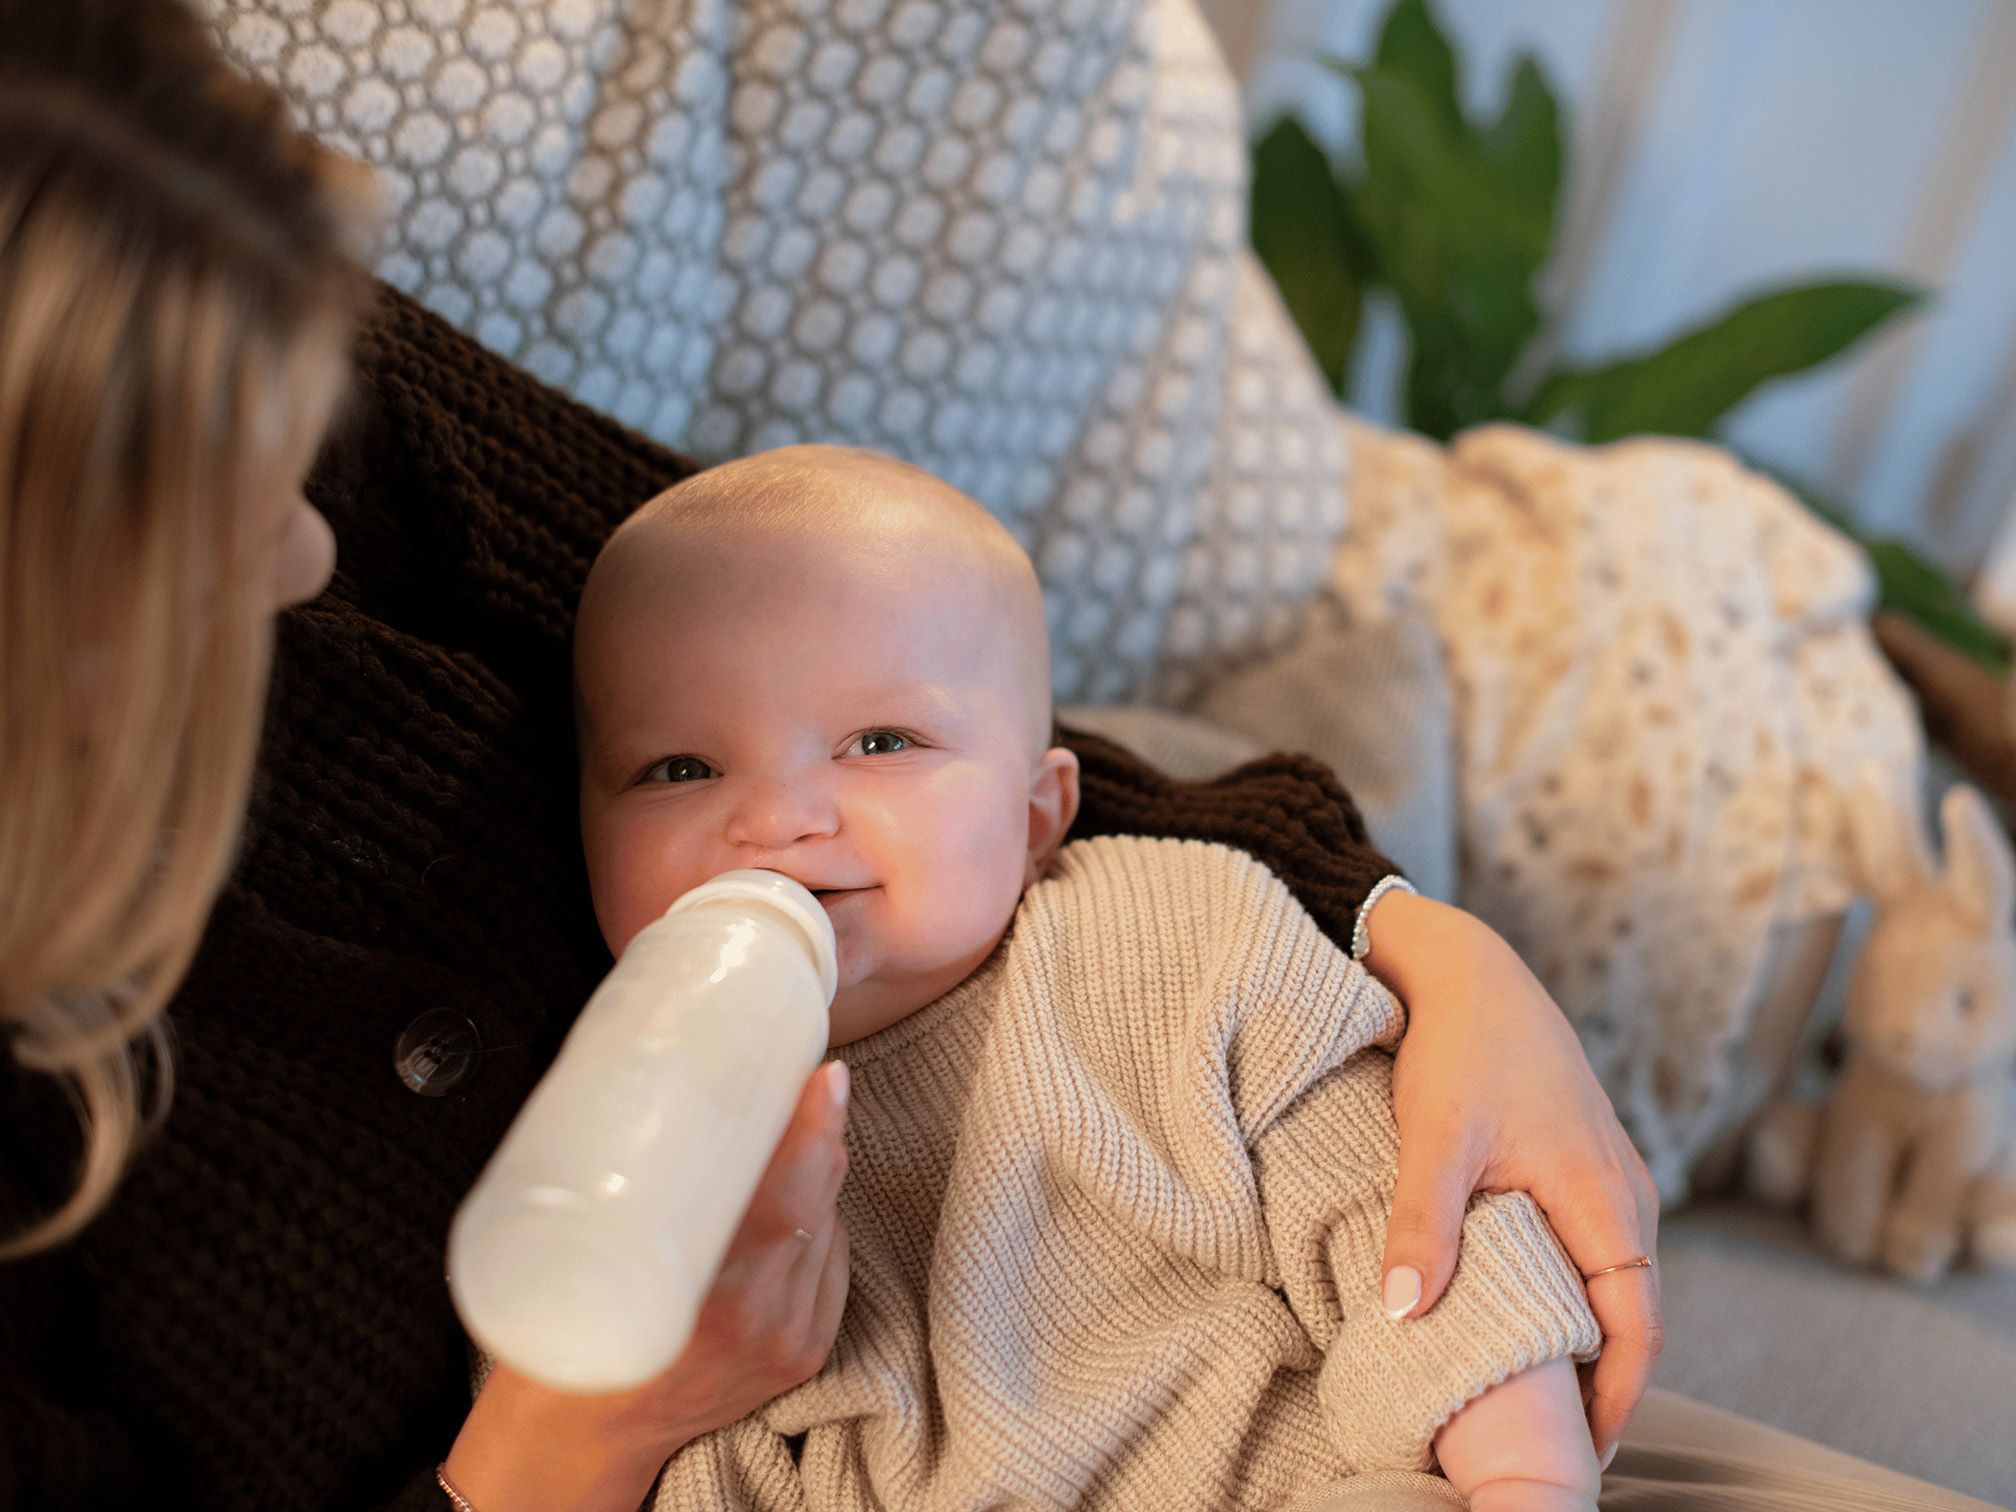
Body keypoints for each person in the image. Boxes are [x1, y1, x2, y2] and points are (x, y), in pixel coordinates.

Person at [3, 3, 1681, 1509]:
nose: (314, 551)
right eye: (671, 774)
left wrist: (1418, 938)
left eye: (296, 440)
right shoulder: (714, 1209)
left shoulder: (1157, 949)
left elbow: (851, 634)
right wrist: (571, 1446)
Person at [494, 442, 1603, 1511]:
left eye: (880, 742)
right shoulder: (627, 1118)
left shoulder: (1179, 931)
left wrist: (1524, 1476)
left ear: (1036, 816)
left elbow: (1387, 1217)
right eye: (678, 768)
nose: (778, 817)